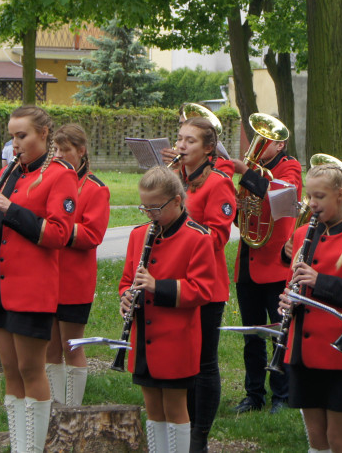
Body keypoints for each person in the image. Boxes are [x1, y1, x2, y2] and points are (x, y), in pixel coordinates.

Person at [0, 105, 78, 453]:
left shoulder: (61, 175)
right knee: (10, 371)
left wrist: (11, 210)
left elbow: (59, 234)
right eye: (12, 136)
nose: (15, 144)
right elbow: (2, 234)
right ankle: (19, 445)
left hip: (32, 288)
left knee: (32, 370)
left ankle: (33, 448)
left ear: (44, 134)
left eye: (22, 136)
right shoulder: (11, 173)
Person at [279, 162, 342, 453]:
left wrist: (320, 282)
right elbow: (292, 284)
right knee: (315, 438)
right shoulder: (301, 236)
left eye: (319, 197)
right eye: (310, 197)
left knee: (339, 440)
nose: (312, 204)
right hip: (302, 349)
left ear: (340, 195)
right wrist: (287, 300)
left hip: (340, 352)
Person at [120, 166, 215, 453]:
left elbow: (202, 289)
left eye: (155, 208)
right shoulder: (139, 235)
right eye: (144, 207)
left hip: (177, 339)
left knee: (175, 408)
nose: (149, 214)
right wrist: (126, 296)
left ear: (177, 200)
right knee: (153, 409)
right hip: (143, 339)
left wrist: (157, 286)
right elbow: (127, 279)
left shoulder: (197, 237)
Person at [173, 115, 236, 452]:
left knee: (204, 362)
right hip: (173, 279)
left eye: (190, 141)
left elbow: (217, 237)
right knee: (180, 359)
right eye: (180, 139)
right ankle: (181, 424)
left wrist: (181, 227)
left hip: (205, 285)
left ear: (208, 149)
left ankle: (199, 435)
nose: (181, 145)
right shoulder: (175, 177)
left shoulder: (219, 184)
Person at [230, 128, 301, 416]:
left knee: (279, 332)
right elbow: (243, 217)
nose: (259, 146)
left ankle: (282, 395)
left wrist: (246, 172)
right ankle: (253, 393)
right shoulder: (255, 171)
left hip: (276, 264)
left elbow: (282, 198)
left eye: (265, 141)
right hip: (248, 261)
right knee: (252, 335)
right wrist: (238, 208)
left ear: (280, 144)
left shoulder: (290, 166)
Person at [45, 124, 110, 406]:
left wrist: (58, 229)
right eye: (55, 149)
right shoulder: (49, 180)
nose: (58, 155)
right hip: (48, 276)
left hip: (75, 280)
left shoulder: (96, 188)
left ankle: (73, 410)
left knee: (72, 347)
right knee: (49, 349)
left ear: (81, 152)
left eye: (65, 150)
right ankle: (56, 408)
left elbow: (92, 235)